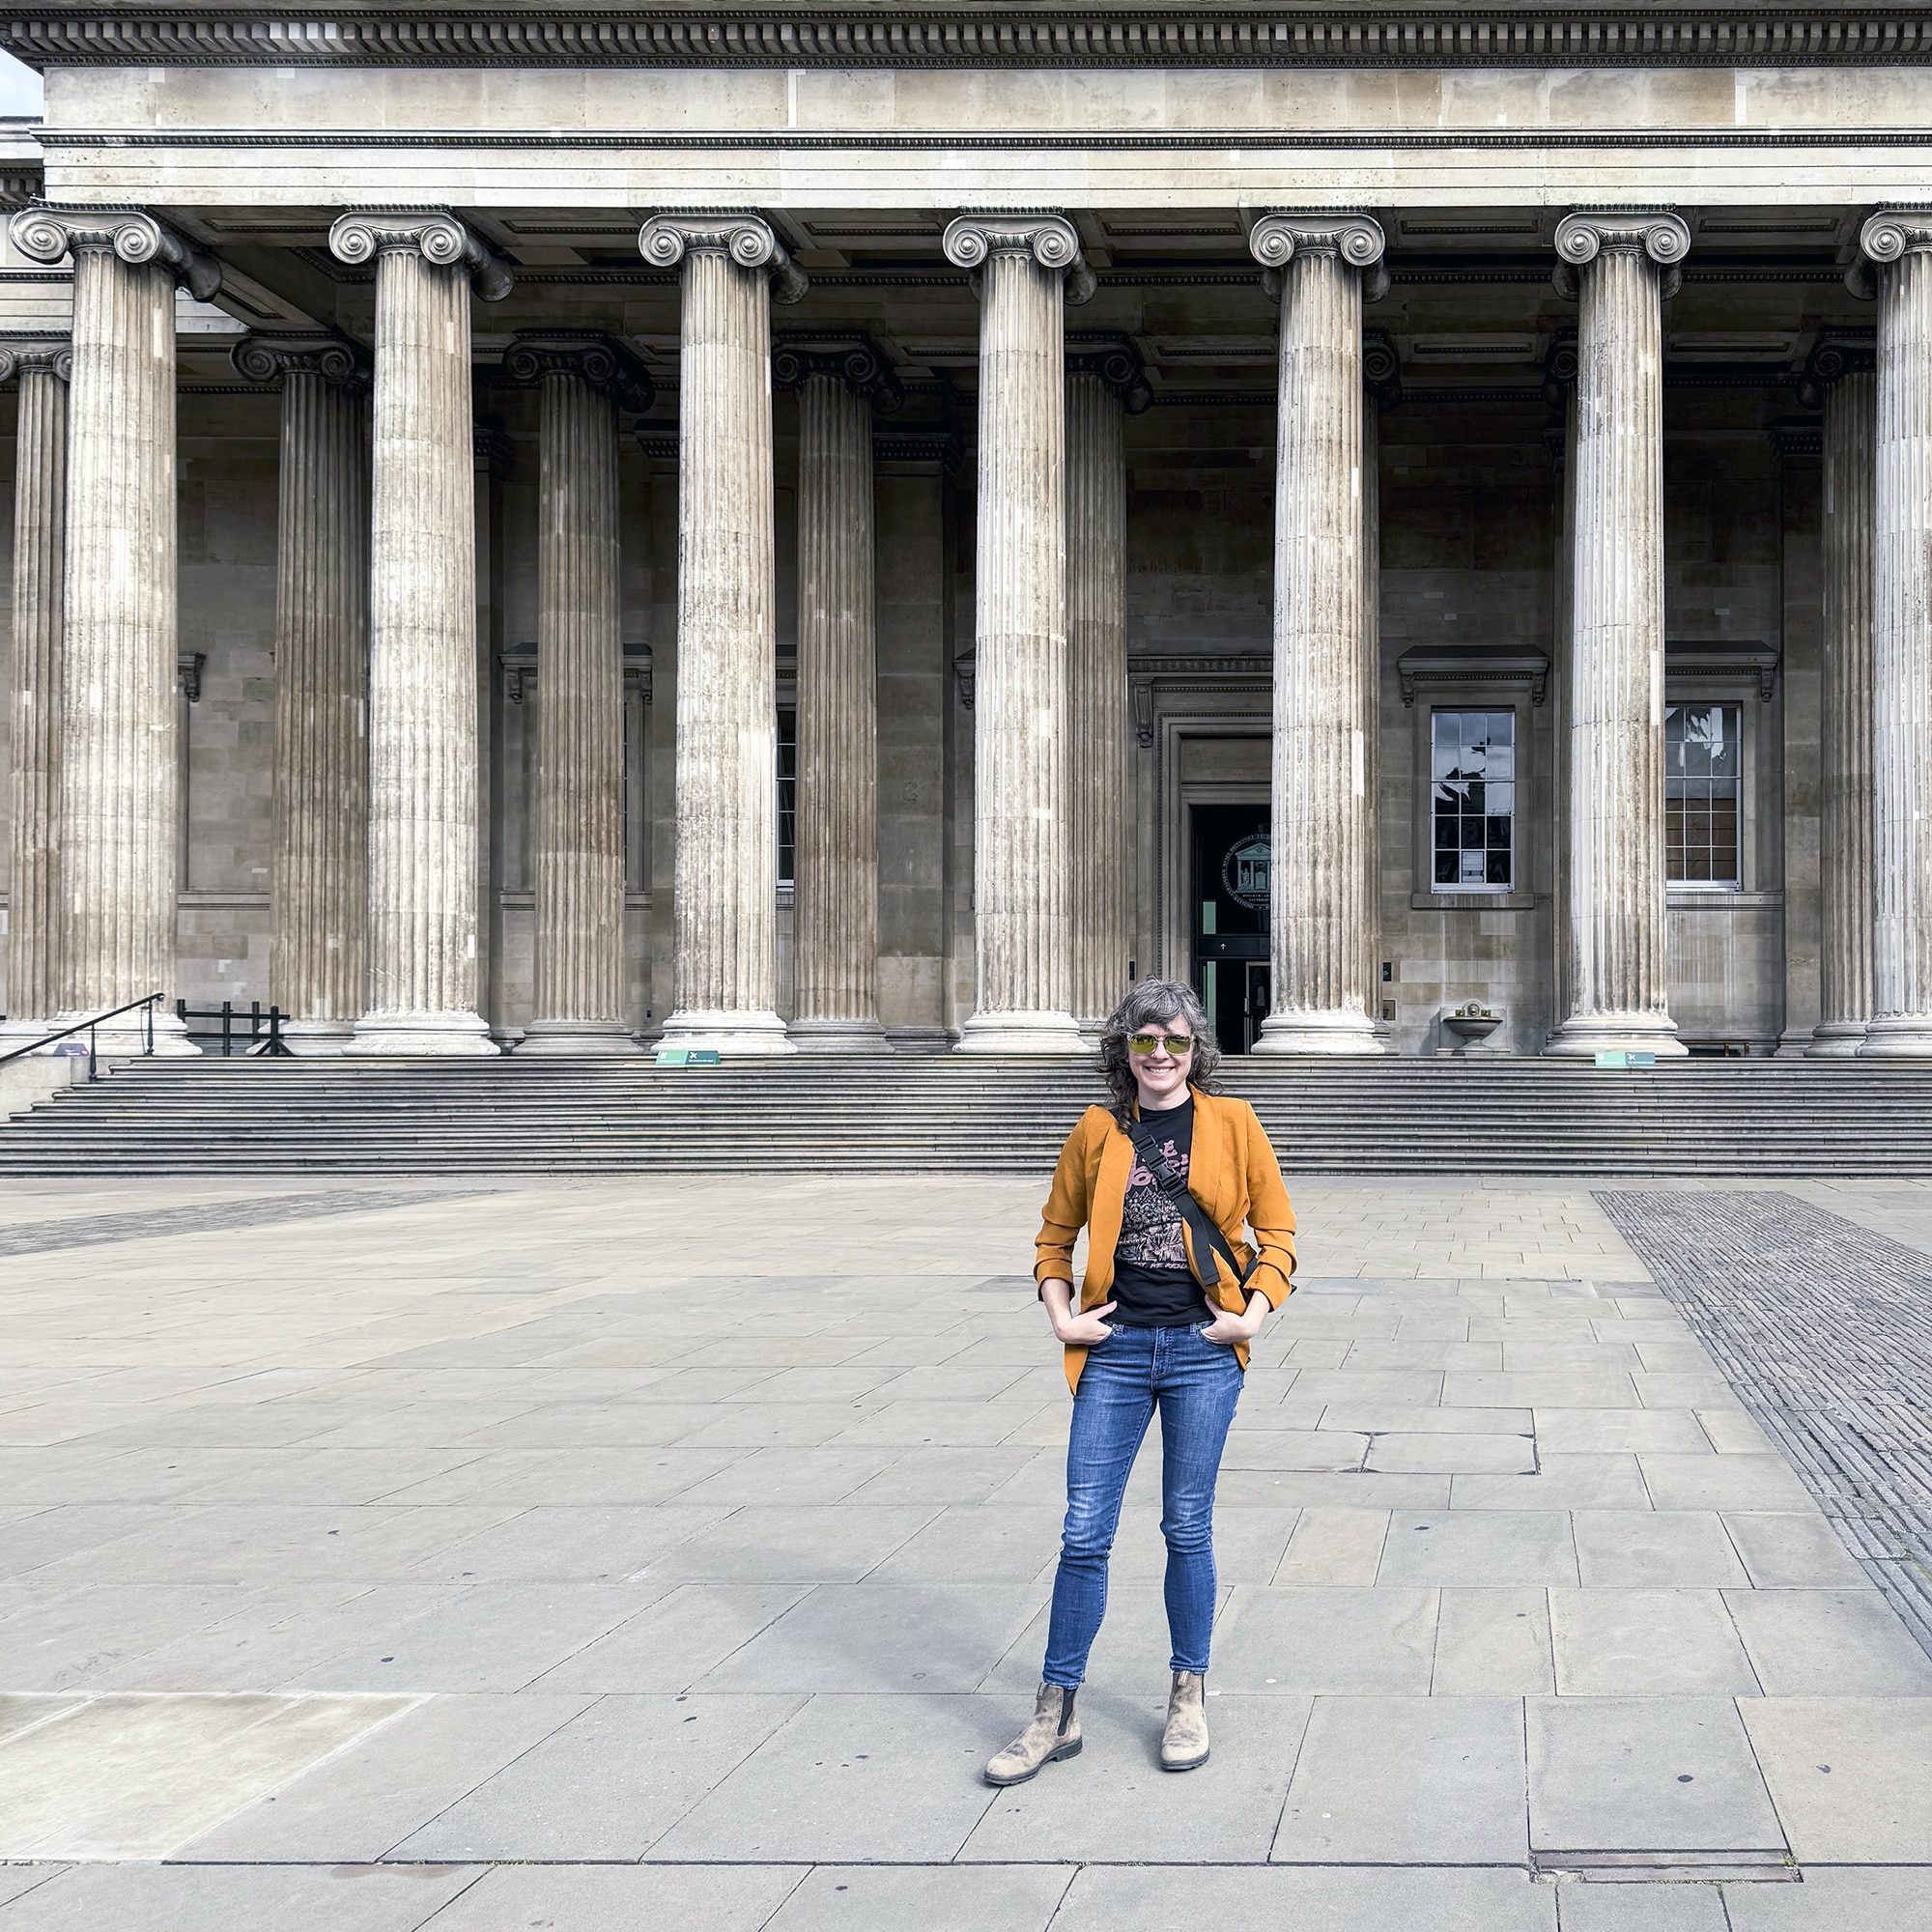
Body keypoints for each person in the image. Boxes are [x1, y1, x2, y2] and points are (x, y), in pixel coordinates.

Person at [983, 978, 1297, 1786]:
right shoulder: (1097, 1129)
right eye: (1145, 1040)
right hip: (1115, 1351)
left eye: (1177, 1041)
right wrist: (1062, 1317)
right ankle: (1057, 1709)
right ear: (1123, 1049)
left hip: (1201, 1348)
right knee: (1084, 1532)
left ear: (1198, 1049)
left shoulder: (1233, 1122)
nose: (1161, 1055)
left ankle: (1187, 1693)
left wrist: (1252, 1315)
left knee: (1186, 1526)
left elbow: (1279, 1231)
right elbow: (1055, 1238)